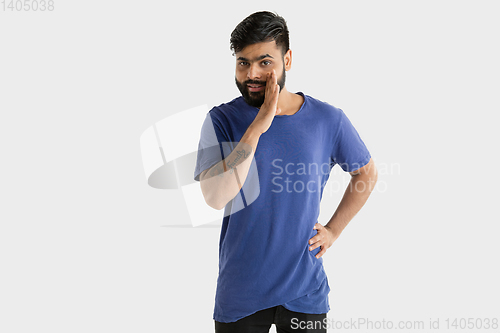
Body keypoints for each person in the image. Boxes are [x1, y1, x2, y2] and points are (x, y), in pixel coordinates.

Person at [194, 11, 378, 333]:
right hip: (240, 295)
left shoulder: (328, 119)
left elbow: (366, 173)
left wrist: (333, 231)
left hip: (304, 293)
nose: (252, 73)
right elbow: (214, 197)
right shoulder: (221, 120)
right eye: (243, 62)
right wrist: (257, 128)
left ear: (287, 59)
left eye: (265, 62)